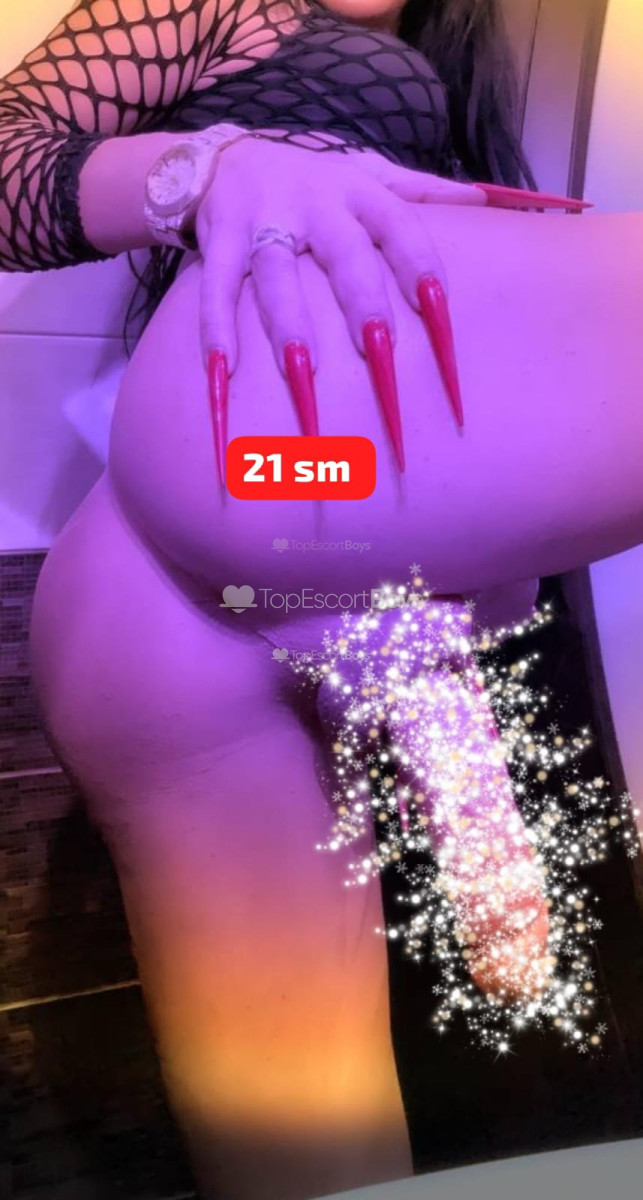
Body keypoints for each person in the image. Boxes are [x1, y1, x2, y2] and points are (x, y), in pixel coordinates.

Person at [2, 2, 642, 1198]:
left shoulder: (462, 56)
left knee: (316, 1157)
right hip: (249, 460)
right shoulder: (218, 3)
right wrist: (206, 169)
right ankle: (401, 653)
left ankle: (383, 634)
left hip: (173, 596)